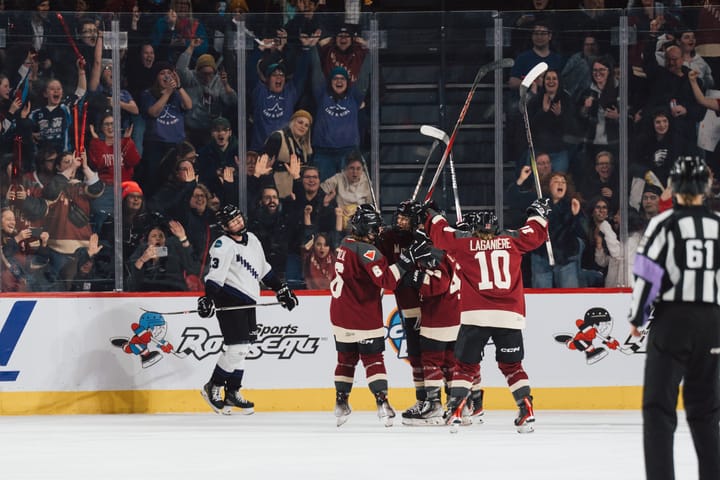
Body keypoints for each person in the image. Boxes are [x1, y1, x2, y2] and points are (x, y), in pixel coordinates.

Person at [628, 156, 720, 480]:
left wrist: (637, 316)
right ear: (706, 188)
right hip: (712, 322)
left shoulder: (663, 224)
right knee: (707, 413)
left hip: (672, 320)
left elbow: (647, 276)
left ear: (676, 189)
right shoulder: (718, 225)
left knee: (658, 409)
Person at [423, 200, 550, 433]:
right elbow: (536, 233)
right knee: (513, 366)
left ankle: (456, 409)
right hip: (510, 316)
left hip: (476, 316)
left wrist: (431, 214)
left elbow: (441, 234)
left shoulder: (465, 243)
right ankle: (526, 407)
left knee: (465, 367)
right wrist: (537, 214)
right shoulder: (512, 240)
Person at [330, 203, 428, 427]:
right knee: (373, 361)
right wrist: (406, 260)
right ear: (364, 229)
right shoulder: (368, 251)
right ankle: (382, 405)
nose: (377, 232)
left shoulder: (345, 244)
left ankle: (341, 403)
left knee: (345, 361)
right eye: (374, 229)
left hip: (339, 315)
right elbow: (387, 280)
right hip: (362, 315)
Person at [196, 204, 298, 414]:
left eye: (238, 218)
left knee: (244, 349)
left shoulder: (252, 239)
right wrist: (208, 299)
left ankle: (232, 392)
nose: (238, 223)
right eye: (232, 221)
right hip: (229, 299)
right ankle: (212, 386)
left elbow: (264, 270)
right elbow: (215, 277)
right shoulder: (222, 245)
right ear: (224, 226)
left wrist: (281, 289)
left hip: (249, 301)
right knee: (237, 348)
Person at [375, 200, 425, 419]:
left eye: (406, 219)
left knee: (440, 356)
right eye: (399, 218)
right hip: (408, 308)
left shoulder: (424, 239)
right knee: (415, 355)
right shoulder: (388, 238)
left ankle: (461, 399)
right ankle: (423, 399)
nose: (401, 222)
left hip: (432, 308)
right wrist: (374, 233)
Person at [320, 153, 372, 232]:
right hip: (340, 219)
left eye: (358, 169)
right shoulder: (338, 178)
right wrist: (332, 203)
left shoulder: (366, 182)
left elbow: (370, 206)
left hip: (360, 220)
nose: (355, 172)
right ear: (346, 169)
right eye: (351, 168)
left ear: (362, 169)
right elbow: (321, 190)